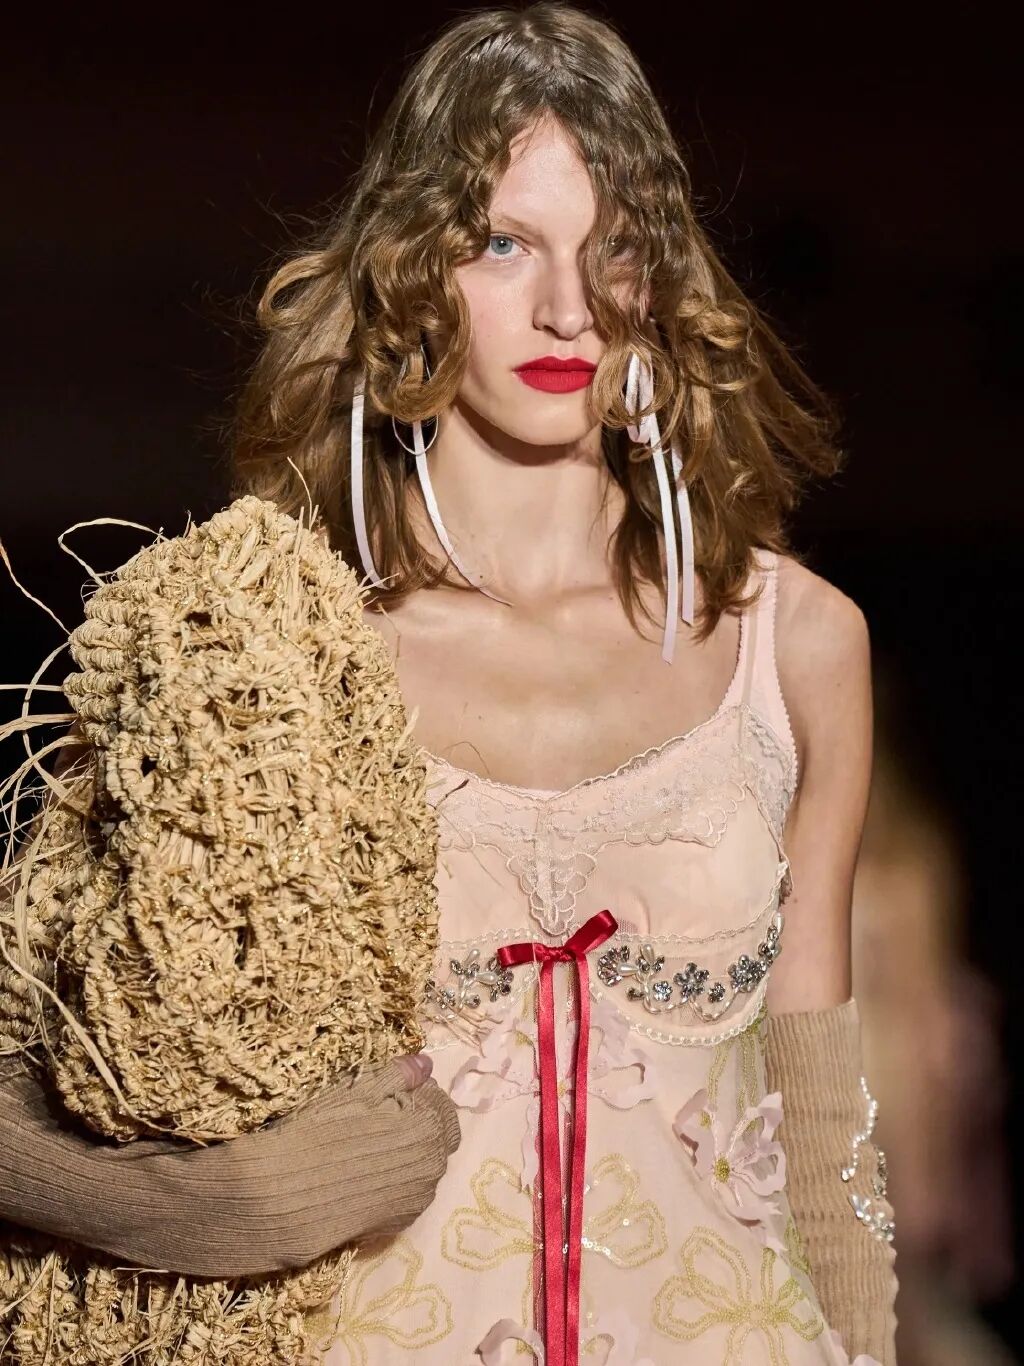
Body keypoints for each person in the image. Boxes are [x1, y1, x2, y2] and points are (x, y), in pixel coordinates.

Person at [2, 4, 900, 1363]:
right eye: (502, 244)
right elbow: (34, 1045)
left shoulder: (797, 648)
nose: (566, 308)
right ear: (410, 266)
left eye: (615, 246)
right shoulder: (259, 652)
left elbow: (825, 1130)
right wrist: (191, 1207)